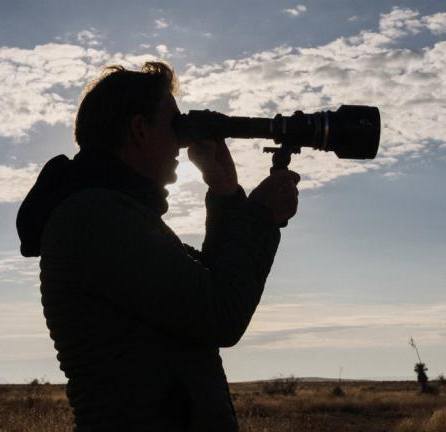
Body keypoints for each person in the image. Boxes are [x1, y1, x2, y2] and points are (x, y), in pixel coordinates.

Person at [17, 61, 299, 431]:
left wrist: (225, 193)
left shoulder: (115, 213)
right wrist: (259, 217)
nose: (182, 142)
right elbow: (219, 315)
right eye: (174, 124)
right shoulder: (97, 218)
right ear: (139, 129)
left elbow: (204, 288)